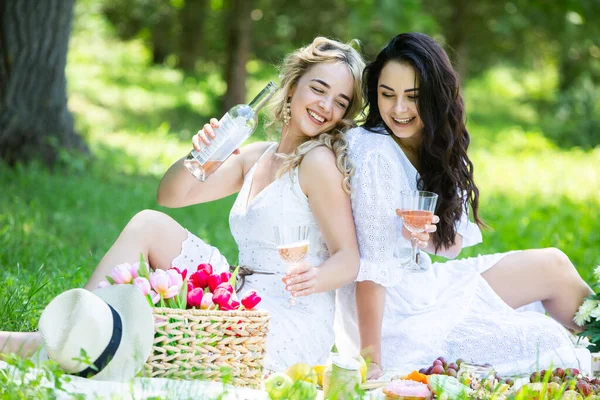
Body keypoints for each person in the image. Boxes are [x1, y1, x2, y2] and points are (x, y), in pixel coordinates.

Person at [0, 37, 365, 373]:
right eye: (319, 89)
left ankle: (61, 343)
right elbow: (171, 196)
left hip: (287, 314)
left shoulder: (318, 162)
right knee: (148, 224)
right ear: (292, 87)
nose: (326, 106)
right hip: (240, 292)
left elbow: (348, 257)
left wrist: (314, 277)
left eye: (340, 101)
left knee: (158, 339)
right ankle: (76, 328)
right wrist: (202, 153)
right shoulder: (256, 157)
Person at [335, 32, 593, 378]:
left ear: (436, 96)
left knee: (552, 266)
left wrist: (424, 235)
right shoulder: (374, 152)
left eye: (413, 97)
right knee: (541, 335)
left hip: (426, 284)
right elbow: (371, 269)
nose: (398, 109)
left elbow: (450, 247)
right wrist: (373, 362)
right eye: (387, 94)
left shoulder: (431, 142)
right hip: (395, 318)